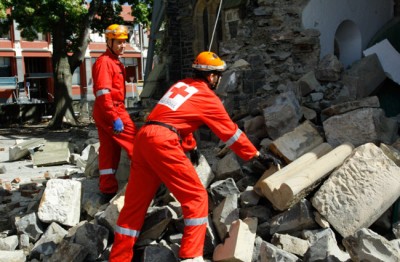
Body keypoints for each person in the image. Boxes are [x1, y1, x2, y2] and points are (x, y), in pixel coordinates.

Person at [109, 51, 280, 262]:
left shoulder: (180, 86)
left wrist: (190, 146)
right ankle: (191, 256)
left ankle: (118, 257)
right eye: (218, 75)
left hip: (144, 137)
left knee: (135, 204)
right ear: (210, 77)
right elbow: (230, 132)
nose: (219, 79)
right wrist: (255, 155)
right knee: (196, 198)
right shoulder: (207, 97)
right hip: (163, 141)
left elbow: (178, 118)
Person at [92, 24, 136, 196]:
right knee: (136, 145)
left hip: (105, 111)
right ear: (109, 41)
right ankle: (147, 185)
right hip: (112, 110)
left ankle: (107, 190)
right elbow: (104, 93)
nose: (122, 46)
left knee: (109, 150)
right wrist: (114, 117)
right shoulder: (105, 63)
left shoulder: (112, 61)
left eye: (124, 42)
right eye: (118, 42)